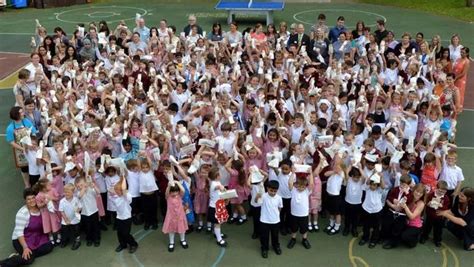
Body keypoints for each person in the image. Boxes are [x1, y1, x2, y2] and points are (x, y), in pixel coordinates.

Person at [0, 188, 53, 266]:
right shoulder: (22, 213)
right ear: (25, 200)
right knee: (29, 259)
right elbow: (19, 233)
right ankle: (3, 263)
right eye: (28, 199)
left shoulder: (41, 207)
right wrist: (25, 248)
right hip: (22, 239)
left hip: (38, 236)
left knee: (49, 247)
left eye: (33, 198)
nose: (31, 201)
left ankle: (20, 255)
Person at [6, 106, 38, 189]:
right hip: (20, 151)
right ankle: (27, 184)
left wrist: (32, 143)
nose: (23, 113)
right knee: (24, 168)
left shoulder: (26, 121)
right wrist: (23, 149)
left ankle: (35, 182)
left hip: (31, 148)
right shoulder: (10, 128)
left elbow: (33, 132)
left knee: (33, 164)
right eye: (21, 112)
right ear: (16, 114)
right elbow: (11, 142)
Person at [287, 171, 314, 250]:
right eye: (298, 185)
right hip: (294, 214)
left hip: (303, 214)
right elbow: (289, 182)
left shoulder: (307, 191)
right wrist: (293, 172)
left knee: (304, 228)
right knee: (294, 228)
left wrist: (311, 173)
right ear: (296, 185)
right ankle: (293, 239)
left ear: (306, 186)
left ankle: (304, 239)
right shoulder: (293, 190)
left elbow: (311, 184)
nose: (300, 188)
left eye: (303, 186)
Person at [111, 175, 138, 253]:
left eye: (118, 190)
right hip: (119, 217)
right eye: (115, 190)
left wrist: (123, 177)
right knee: (119, 233)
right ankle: (123, 244)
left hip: (127, 218)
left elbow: (123, 189)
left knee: (125, 233)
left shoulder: (127, 197)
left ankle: (133, 244)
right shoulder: (116, 198)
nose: (116, 191)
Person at [257, 180, 283, 258]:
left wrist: (276, 215)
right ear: (267, 188)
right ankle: (264, 248)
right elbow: (257, 202)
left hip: (275, 221)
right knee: (264, 236)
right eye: (271, 190)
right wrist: (257, 196)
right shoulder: (263, 196)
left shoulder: (279, 198)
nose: (273, 193)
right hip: (264, 220)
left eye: (275, 191)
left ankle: (276, 246)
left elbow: (279, 208)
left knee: (275, 235)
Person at [420, 180, 450, 247]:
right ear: (436, 189)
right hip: (430, 215)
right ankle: (424, 237)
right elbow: (426, 203)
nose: (441, 193)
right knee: (427, 227)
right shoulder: (431, 195)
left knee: (438, 230)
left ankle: (437, 240)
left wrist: (442, 206)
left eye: (443, 192)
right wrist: (428, 204)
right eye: (439, 191)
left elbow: (446, 207)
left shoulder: (446, 198)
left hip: (439, 217)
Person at [162, 180, 188, 252]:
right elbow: (166, 192)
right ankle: (171, 242)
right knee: (171, 230)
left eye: (176, 191)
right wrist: (169, 185)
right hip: (171, 217)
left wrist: (177, 183)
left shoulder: (179, 195)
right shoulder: (168, 197)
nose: (174, 193)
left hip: (180, 216)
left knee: (182, 229)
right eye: (172, 191)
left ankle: (182, 240)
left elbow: (183, 190)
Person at [58, 183, 82, 250]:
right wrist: (66, 220)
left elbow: (80, 207)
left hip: (75, 219)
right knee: (64, 230)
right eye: (65, 192)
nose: (66, 193)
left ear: (73, 192)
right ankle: (65, 240)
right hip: (65, 219)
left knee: (76, 230)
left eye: (68, 192)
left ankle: (77, 240)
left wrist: (77, 210)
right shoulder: (62, 201)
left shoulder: (76, 199)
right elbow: (61, 211)